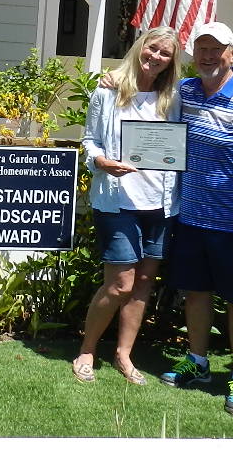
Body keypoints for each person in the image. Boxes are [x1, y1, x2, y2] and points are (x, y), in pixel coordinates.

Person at [160, 21, 233, 417]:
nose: (209, 57)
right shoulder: (186, 91)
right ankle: (197, 362)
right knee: (196, 292)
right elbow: (145, 92)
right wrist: (112, 80)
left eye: (217, 50)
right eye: (202, 49)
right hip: (192, 217)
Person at [72, 26, 182, 385]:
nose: (156, 57)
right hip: (117, 200)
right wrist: (101, 162)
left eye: (165, 53)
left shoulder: (174, 96)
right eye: (152, 48)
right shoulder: (108, 89)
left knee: (144, 283)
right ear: (140, 47)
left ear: (172, 61)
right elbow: (89, 140)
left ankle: (124, 354)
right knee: (120, 284)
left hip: (161, 203)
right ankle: (87, 349)